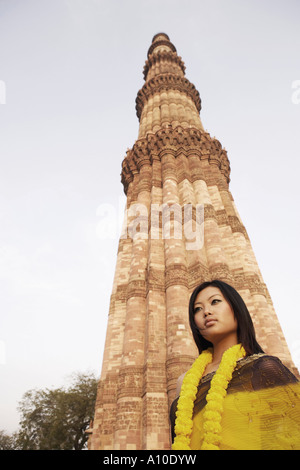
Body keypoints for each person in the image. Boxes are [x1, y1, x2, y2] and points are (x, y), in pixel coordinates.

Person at [170, 279, 300, 450]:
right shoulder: (184, 383)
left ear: (237, 309)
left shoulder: (264, 368)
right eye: (197, 309)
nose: (206, 312)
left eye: (215, 302)